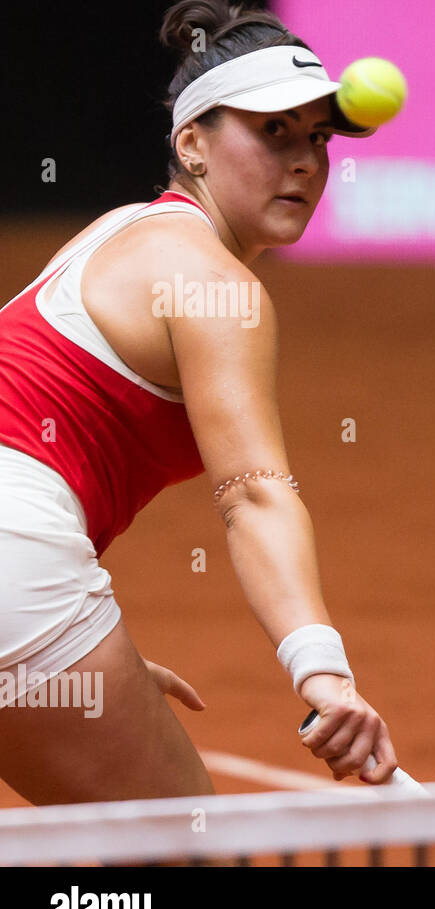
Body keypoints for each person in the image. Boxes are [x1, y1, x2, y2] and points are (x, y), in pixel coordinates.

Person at [0, 0, 398, 804]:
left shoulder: (118, 230)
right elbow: (252, 494)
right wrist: (322, 671)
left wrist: (83, 659)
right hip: (18, 562)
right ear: (191, 145)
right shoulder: (218, 288)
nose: (304, 163)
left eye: (318, 138)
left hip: (21, 572)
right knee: (184, 843)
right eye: (273, 132)